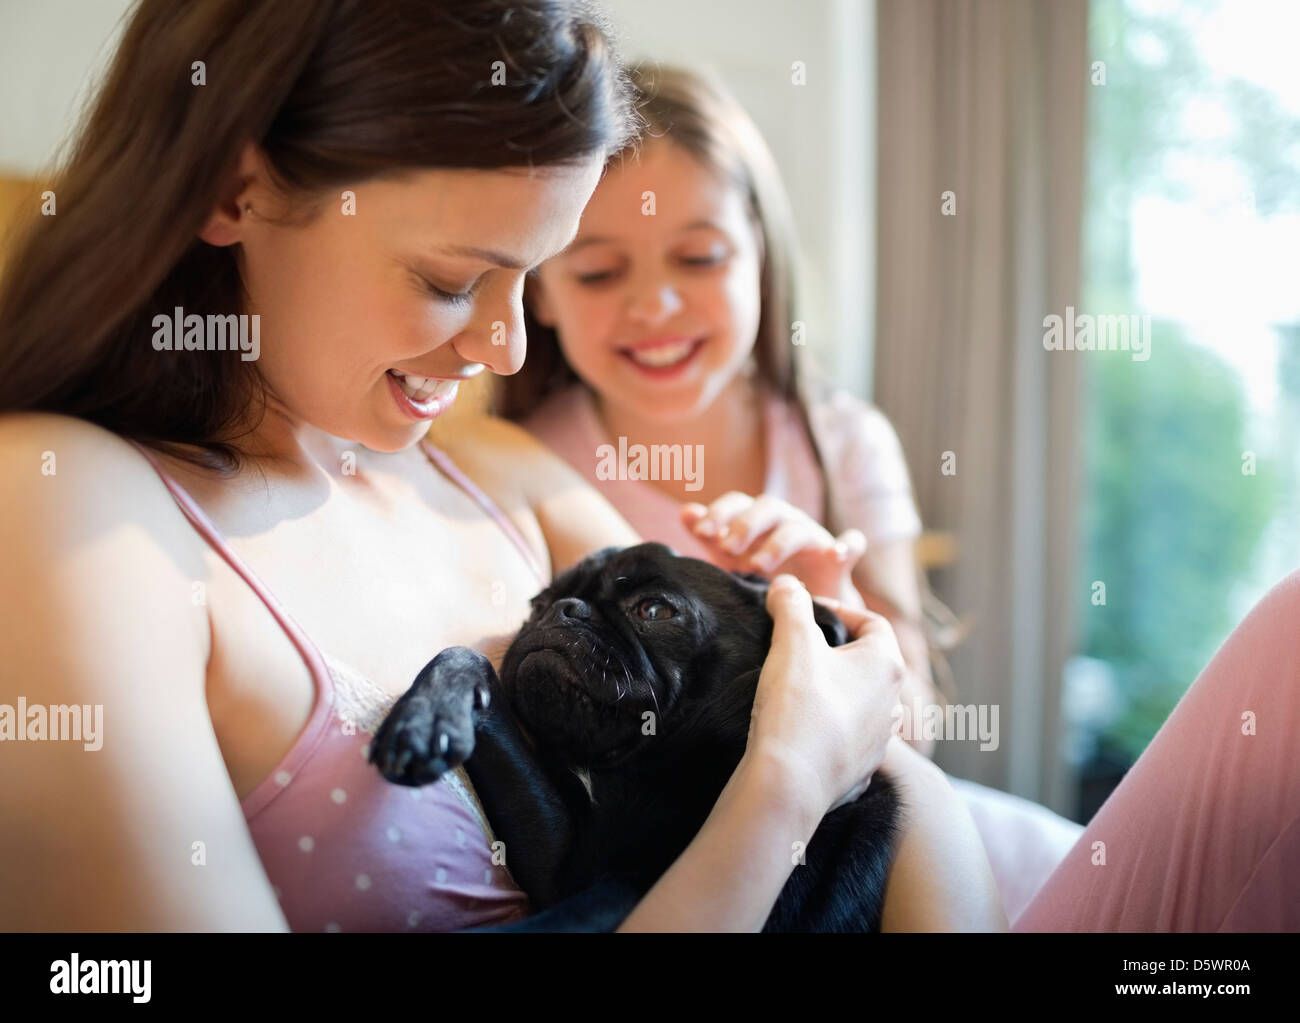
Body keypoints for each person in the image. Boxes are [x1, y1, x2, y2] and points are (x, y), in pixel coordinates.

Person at [0, 0, 1002, 932]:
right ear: (235, 188)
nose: (509, 348)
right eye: (455, 279)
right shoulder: (68, 505)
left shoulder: (496, 472)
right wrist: (782, 789)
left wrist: (808, 659)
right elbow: (819, 771)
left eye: (533, 275)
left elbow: (903, 791)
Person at [501, 63, 1083, 924]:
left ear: (762, 256)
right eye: (595, 272)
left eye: (698, 257)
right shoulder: (531, 462)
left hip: (924, 854)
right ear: (538, 285)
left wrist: (834, 603)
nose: (654, 303)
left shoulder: (842, 441)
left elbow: (910, 729)